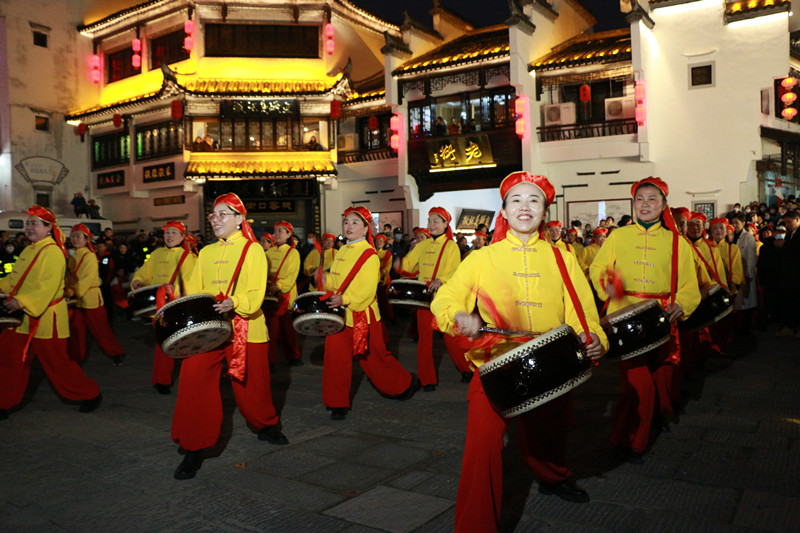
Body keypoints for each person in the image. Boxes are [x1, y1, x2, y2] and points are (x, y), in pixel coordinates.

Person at [431, 172, 607, 531]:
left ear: (544, 211)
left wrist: (593, 335)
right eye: (516, 200)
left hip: (551, 362)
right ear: (505, 212)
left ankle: (554, 476)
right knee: (481, 448)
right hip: (495, 365)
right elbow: (447, 297)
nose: (524, 207)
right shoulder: (483, 258)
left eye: (534, 200)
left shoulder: (563, 258)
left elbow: (581, 309)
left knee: (548, 434)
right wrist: (458, 315)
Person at [172, 193, 288, 480]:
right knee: (193, 379)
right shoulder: (207, 253)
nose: (216, 219)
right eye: (214, 214)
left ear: (239, 219)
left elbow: (255, 293)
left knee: (252, 385)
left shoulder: (253, 250)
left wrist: (234, 302)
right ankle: (193, 447)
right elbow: (197, 292)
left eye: (224, 214)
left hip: (245, 325)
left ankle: (266, 425)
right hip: (210, 328)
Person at [589, 177, 700, 464]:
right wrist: (611, 287)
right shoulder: (618, 236)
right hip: (624, 321)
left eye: (652, 199)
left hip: (661, 320)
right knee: (636, 383)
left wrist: (682, 304)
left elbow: (689, 285)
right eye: (640, 199)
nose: (645, 204)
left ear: (664, 205)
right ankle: (632, 441)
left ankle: (644, 424)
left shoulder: (678, 243)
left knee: (658, 375)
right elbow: (598, 268)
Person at [0, 206, 102, 420]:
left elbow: (46, 287)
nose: (28, 227)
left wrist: (22, 301)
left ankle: (90, 394)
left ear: (49, 228)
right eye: (27, 223)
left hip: (46, 319)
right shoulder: (29, 250)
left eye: (34, 223)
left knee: (58, 365)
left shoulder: (53, 252)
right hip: (21, 317)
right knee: (8, 358)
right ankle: (3, 402)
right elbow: (15, 280)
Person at [321, 206, 419, 420]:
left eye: (355, 223)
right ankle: (337, 404)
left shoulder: (369, 255)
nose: (349, 226)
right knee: (334, 360)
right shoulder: (342, 251)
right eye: (346, 222)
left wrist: (344, 299)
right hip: (339, 315)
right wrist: (325, 281)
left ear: (366, 228)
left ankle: (405, 384)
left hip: (362, 317)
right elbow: (338, 281)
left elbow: (365, 291)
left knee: (376, 360)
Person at [396, 207, 473, 390]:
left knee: (451, 337)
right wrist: (400, 261)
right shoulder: (422, 245)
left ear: (446, 224)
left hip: (443, 299)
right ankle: (427, 378)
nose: (431, 225)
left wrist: (441, 279)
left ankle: (466, 369)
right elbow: (407, 265)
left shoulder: (451, 246)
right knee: (424, 341)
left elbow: (454, 270)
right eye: (429, 221)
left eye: (435, 221)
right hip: (423, 299)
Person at [130, 222, 198, 394]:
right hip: (158, 308)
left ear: (182, 236)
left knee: (186, 346)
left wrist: (175, 291)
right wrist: (138, 280)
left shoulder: (187, 256)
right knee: (163, 346)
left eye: (174, 233)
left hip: (177, 306)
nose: (169, 236)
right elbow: (144, 272)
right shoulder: (157, 253)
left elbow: (191, 281)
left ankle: (192, 378)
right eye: (167, 233)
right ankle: (162, 380)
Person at [65, 224, 126, 366]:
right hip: (76, 299)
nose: (75, 239)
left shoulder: (89, 256)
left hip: (89, 298)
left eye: (79, 236)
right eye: (73, 236)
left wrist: (71, 291)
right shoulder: (72, 256)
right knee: (76, 331)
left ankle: (116, 353)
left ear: (87, 239)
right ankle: (76, 357)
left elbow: (85, 279)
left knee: (101, 330)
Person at [265, 221, 302, 365]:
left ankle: (293, 356)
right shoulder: (268, 252)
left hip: (284, 294)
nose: (278, 233)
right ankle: (270, 360)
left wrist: (279, 285)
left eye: (282, 231)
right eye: (276, 231)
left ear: (288, 235)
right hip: (269, 293)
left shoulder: (293, 252)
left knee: (288, 330)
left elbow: (291, 275)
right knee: (271, 330)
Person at [730, 213, 757, 335]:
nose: (734, 225)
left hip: (745, 273)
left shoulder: (748, 237)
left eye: (737, 222)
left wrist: (749, 274)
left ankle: (746, 330)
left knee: (746, 303)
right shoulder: (731, 236)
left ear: (743, 223)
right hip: (734, 274)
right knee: (737, 303)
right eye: (733, 222)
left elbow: (751, 257)